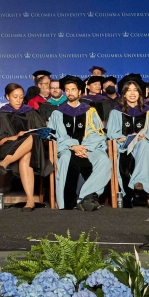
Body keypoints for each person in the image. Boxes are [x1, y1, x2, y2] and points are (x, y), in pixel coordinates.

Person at [0, 83, 52, 211]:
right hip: (7, 147)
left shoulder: (30, 113)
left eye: (21, 97)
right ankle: (30, 199)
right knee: (31, 140)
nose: (19, 100)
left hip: (29, 150)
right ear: (7, 97)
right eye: (15, 97)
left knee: (31, 141)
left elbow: (42, 133)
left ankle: (29, 200)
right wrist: (16, 137)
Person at [48, 75, 111, 211]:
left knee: (103, 160)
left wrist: (84, 147)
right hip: (67, 147)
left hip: (88, 147)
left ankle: (85, 195)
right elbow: (57, 135)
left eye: (73, 89)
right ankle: (66, 202)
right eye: (67, 90)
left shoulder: (90, 111)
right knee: (65, 158)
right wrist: (74, 146)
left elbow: (97, 133)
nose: (70, 93)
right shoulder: (58, 113)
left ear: (80, 92)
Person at [106, 74, 149, 207]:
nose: (132, 93)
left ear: (140, 93)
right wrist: (129, 138)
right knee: (144, 146)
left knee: (145, 143)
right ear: (124, 94)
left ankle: (141, 182)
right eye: (129, 90)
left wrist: (145, 137)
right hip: (125, 147)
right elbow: (111, 134)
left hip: (145, 147)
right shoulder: (116, 112)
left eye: (135, 90)